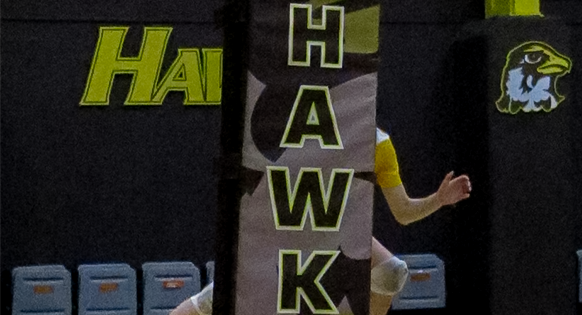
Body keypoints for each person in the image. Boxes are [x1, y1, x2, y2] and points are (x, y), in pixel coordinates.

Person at [172, 128, 472, 315]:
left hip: (338, 239)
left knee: (391, 272)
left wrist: (438, 200)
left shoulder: (378, 143)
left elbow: (403, 212)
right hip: (284, 234)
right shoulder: (296, 128)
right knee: (219, 300)